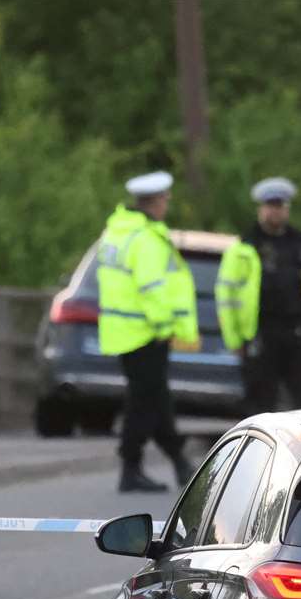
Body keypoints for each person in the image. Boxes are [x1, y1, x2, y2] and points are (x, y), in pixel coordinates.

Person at [97, 171, 199, 493]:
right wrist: (166, 328)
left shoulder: (117, 232)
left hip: (123, 331)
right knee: (145, 402)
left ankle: (180, 463)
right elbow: (152, 289)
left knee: (155, 399)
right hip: (146, 333)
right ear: (155, 201)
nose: (167, 204)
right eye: (166, 199)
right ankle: (133, 467)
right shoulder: (146, 239)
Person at [214, 176, 301, 414]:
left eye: (279, 206)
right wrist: (235, 340)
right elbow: (226, 298)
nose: (275, 212)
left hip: (297, 331)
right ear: (261, 208)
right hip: (261, 333)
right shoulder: (244, 247)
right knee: (260, 403)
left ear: (286, 209)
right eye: (270, 206)